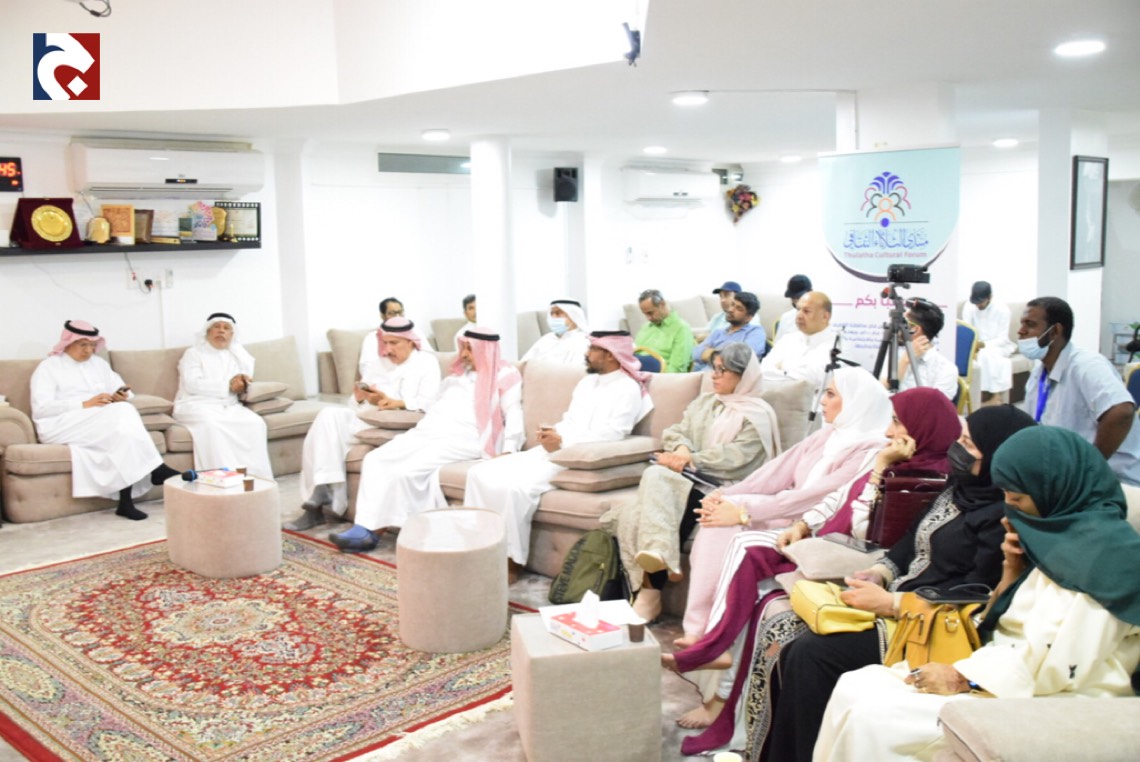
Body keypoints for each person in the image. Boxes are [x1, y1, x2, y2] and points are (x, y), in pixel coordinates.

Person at [814, 426, 1140, 762]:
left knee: (873, 718)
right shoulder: (1055, 532)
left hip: (1052, 697)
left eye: (1017, 498)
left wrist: (964, 678)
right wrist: (1011, 570)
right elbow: (1005, 622)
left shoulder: (1107, 556)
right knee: (855, 685)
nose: (1009, 508)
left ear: (1052, 489)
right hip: (1005, 669)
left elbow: (1061, 664)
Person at [662, 387, 959, 752]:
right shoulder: (869, 449)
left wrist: (880, 468)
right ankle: (709, 649)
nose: (888, 431)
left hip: (855, 556)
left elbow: (864, 529)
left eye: (897, 422)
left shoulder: (922, 478)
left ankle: (714, 661)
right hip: (824, 536)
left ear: (923, 426)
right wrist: (799, 523)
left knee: (751, 560)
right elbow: (834, 498)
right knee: (736, 545)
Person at [758, 405, 1036, 762]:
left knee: (812, 653)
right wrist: (880, 573)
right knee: (784, 628)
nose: (958, 449)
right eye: (960, 438)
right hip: (899, 599)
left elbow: (977, 592)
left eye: (969, 443)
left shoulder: (1002, 516)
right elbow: (910, 540)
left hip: (934, 624)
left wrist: (893, 604)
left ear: (998, 455)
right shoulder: (960, 487)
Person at [682, 367, 892, 643]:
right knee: (720, 514)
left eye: (831, 394)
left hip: (815, 526)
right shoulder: (828, 434)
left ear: (856, 402)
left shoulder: (871, 450)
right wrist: (725, 495)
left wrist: (746, 512)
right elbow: (775, 473)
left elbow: (815, 497)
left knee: (729, 516)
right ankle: (697, 629)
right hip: (785, 515)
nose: (822, 401)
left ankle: (707, 634)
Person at [603, 343, 781, 623]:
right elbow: (677, 431)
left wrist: (689, 459)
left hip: (727, 484)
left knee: (650, 491)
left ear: (743, 375)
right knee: (648, 490)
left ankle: (650, 588)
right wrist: (682, 450)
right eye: (714, 368)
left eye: (723, 370)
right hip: (688, 475)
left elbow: (738, 457)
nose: (714, 375)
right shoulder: (705, 402)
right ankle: (657, 565)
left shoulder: (758, 414)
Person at [465, 330, 651, 574]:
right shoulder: (587, 382)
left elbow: (614, 433)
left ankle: (510, 563)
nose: (587, 353)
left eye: (593, 349)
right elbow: (570, 420)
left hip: (577, 458)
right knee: (480, 473)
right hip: (554, 450)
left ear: (611, 355)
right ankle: (477, 549)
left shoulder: (628, 388)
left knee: (515, 488)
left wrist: (562, 442)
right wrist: (552, 433)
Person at [330, 327, 523, 552]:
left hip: (466, 437)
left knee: (405, 471)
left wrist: (509, 449)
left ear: (486, 350)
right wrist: (394, 401)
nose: (463, 354)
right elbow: (430, 404)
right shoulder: (457, 376)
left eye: (470, 349)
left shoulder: (505, 375)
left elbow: (514, 412)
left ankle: (375, 533)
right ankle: (363, 526)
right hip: (428, 430)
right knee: (375, 459)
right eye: (462, 348)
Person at [287, 317, 441, 530]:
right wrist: (360, 397)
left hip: (398, 424)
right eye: (385, 343)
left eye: (394, 343)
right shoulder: (379, 363)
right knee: (328, 416)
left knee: (331, 433)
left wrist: (395, 402)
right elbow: (354, 405)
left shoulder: (427, 363)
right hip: (368, 419)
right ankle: (321, 491)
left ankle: (319, 502)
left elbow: (430, 402)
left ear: (410, 341)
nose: (388, 349)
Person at [30, 320, 178, 520]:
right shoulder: (49, 367)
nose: (88, 350)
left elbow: (126, 391)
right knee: (122, 415)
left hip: (101, 420)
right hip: (60, 424)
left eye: (92, 345)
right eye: (83, 344)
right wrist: (84, 403)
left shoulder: (98, 364)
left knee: (122, 432)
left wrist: (120, 396)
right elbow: (42, 408)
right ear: (68, 343)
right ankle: (156, 469)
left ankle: (126, 503)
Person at [1019, 296, 1140, 485]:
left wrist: (1090, 467)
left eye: (1030, 324)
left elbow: (1122, 411)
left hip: (1112, 480)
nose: (1020, 331)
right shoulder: (1038, 374)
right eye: (1022, 324)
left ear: (1055, 332)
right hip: (1065, 474)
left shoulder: (1086, 365)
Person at [173, 312, 273, 480]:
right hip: (196, 404)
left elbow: (243, 380)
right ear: (207, 332)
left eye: (226, 328)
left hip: (229, 406)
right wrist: (227, 385)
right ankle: (221, 480)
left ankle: (256, 479)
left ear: (232, 334)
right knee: (213, 426)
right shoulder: (193, 353)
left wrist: (242, 382)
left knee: (255, 423)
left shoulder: (237, 355)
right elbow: (191, 384)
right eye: (217, 327)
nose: (221, 331)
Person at [760, 291, 840, 393]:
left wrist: (782, 367)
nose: (799, 316)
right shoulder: (788, 339)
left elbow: (812, 381)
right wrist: (793, 372)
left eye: (806, 311)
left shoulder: (836, 346)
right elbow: (763, 370)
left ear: (825, 316)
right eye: (798, 309)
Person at [892, 297, 959, 401]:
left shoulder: (946, 370)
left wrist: (907, 359)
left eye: (902, 322)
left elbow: (933, 408)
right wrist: (904, 362)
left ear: (915, 329)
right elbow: (881, 392)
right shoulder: (895, 355)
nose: (896, 326)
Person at [960, 280, 1014, 400]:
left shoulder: (1002, 309)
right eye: (975, 302)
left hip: (998, 346)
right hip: (973, 345)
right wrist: (974, 345)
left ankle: (993, 396)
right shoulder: (969, 306)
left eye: (980, 302)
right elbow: (967, 330)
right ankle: (979, 397)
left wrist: (983, 345)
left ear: (989, 297)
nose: (977, 305)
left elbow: (1003, 338)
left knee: (987, 355)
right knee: (979, 356)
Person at [692, 292, 767, 370]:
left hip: (721, 373)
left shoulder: (755, 332)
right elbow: (695, 353)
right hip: (697, 371)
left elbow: (742, 357)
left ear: (748, 317)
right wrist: (722, 354)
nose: (730, 310)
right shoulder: (718, 332)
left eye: (739, 309)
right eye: (732, 304)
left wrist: (709, 352)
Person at [634, 289, 696, 373]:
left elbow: (677, 369)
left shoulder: (681, 329)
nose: (648, 318)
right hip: (636, 370)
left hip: (658, 375)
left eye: (650, 313)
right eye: (645, 314)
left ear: (662, 304)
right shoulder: (645, 327)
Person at [520, 299, 592, 366]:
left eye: (558, 313)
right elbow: (523, 364)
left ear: (573, 316)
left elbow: (574, 370)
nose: (553, 317)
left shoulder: (582, 341)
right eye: (552, 313)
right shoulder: (546, 338)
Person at [774, 274, 812, 342]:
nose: (797, 302)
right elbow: (778, 344)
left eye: (799, 297)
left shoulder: (823, 316)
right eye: (793, 298)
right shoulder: (786, 318)